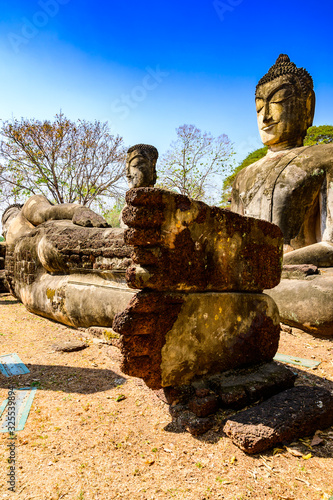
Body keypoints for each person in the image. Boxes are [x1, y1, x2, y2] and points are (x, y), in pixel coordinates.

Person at [231, 54, 333, 267]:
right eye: (259, 107)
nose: (265, 116)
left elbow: (330, 244)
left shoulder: (325, 158)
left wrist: (273, 266)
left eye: (278, 101)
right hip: (248, 278)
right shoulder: (242, 177)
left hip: (301, 274)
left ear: (308, 106)